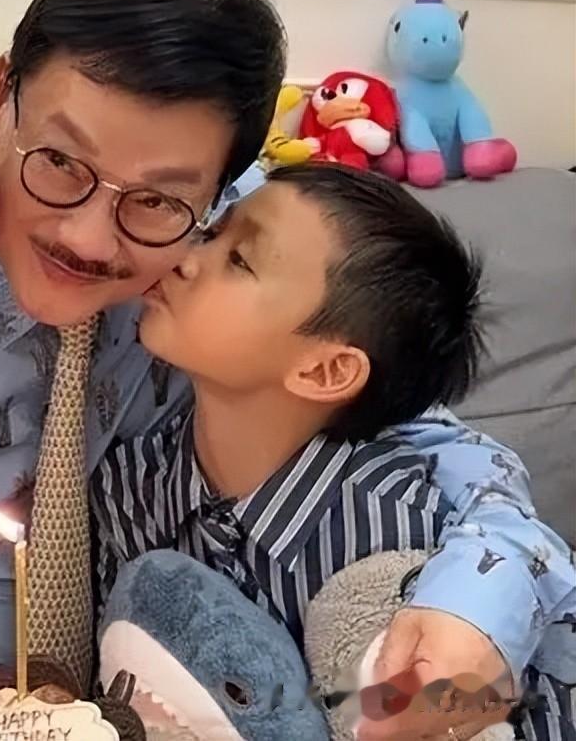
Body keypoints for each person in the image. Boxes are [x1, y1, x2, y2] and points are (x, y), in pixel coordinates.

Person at [0, 0, 576, 741]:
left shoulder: (226, 264)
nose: (89, 238)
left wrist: (478, 609)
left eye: (159, 202)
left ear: (217, 194)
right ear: (3, 96)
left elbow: (439, 449)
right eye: (61, 162)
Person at [92, 162, 573, 740]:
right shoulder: (127, 494)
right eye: (213, 231)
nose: (186, 257)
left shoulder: (414, 538)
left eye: (239, 260)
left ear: (324, 370)